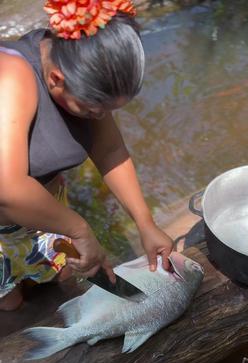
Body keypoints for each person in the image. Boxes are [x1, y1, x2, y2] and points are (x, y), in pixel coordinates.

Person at [0, 0, 173, 311]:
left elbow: (110, 150)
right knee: (11, 303)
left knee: (64, 274)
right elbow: (8, 188)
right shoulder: (10, 77)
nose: (101, 117)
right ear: (55, 79)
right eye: (94, 110)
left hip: (45, 211)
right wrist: (79, 229)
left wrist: (145, 222)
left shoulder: (85, 72)